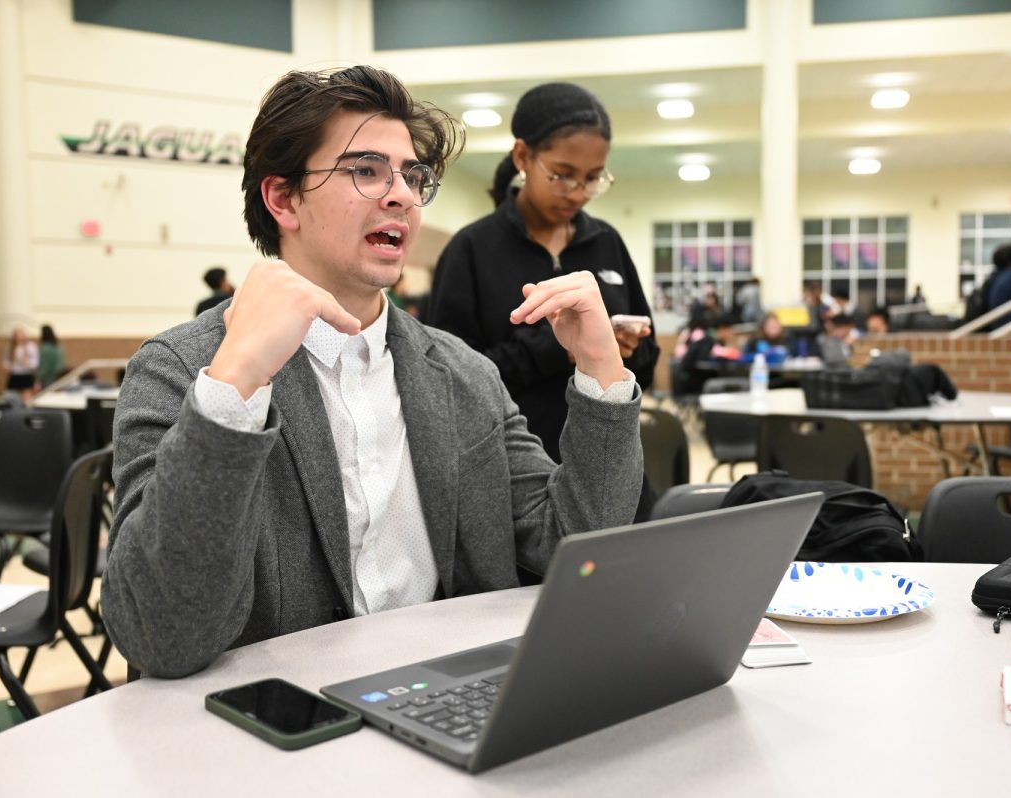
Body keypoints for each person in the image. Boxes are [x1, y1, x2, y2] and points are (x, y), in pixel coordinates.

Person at [101, 65, 644, 679]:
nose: (403, 196)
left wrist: (601, 366)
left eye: (413, 176)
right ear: (282, 199)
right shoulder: (181, 370)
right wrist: (236, 384)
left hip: (448, 699)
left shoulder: (463, 374)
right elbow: (162, 637)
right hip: (275, 731)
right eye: (365, 171)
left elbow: (574, 542)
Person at [426, 82, 658, 465]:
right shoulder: (472, 250)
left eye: (593, 178)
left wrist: (623, 349)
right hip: (513, 469)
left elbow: (646, 366)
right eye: (563, 175)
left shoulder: (606, 242)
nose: (578, 192)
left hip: (607, 462)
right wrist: (561, 348)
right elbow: (452, 381)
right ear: (523, 156)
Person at [2, 326, 38, 402]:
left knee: (26, 398)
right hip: (15, 374)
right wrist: (8, 366)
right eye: (17, 336)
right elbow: (5, 361)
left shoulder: (31, 346)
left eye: (20, 335)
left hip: (26, 374)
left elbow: (35, 363)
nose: (19, 338)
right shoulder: (10, 347)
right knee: (11, 397)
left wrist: (27, 362)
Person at [36, 324, 65, 389]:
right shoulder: (58, 346)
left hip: (49, 379)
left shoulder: (46, 348)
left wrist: (38, 378)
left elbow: (44, 367)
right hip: (60, 377)